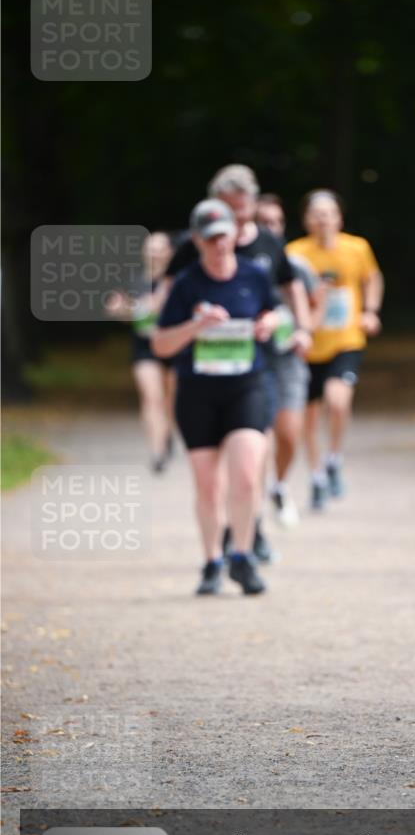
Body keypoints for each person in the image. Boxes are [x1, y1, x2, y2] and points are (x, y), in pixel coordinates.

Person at [166, 166, 312, 554]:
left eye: (243, 210)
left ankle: (252, 522)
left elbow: (289, 288)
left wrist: (301, 328)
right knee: (226, 460)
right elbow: (168, 297)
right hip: (210, 367)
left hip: (266, 357)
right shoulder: (192, 247)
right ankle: (236, 531)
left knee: (259, 446)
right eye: (231, 210)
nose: (238, 220)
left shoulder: (266, 242)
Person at [152, 199, 279, 596]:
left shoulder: (254, 275)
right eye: (209, 240)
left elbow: (278, 314)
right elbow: (160, 345)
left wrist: (270, 323)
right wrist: (195, 325)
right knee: (208, 485)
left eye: (223, 236)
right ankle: (211, 559)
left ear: (233, 233)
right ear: (197, 240)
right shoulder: (187, 283)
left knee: (245, 473)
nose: (218, 245)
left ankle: (241, 556)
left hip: (246, 386)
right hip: (198, 393)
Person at [287, 190, 384, 509]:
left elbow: (373, 278)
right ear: (306, 220)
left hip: (346, 339)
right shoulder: (294, 253)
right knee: (308, 419)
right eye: (316, 213)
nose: (322, 218)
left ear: (339, 218)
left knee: (337, 400)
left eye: (328, 212)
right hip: (307, 344)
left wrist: (370, 310)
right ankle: (316, 477)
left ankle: (334, 459)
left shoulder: (357, 248)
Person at [256, 192, 324, 525]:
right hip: (255, 358)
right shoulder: (248, 264)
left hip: (289, 360)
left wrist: (306, 330)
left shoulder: (297, 265)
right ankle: (251, 515)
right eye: (262, 222)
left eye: (275, 222)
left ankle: (279, 485)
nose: (270, 228)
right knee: (258, 439)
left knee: (289, 434)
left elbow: (318, 300)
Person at [105, 231, 177, 473]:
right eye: (150, 247)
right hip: (144, 347)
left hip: (172, 345)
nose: (154, 252)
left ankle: (167, 435)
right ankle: (157, 452)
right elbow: (120, 309)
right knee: (151, 397)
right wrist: (120, 310)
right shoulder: (133, 281)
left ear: (170, 252)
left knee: (170, 401)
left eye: (159, 248)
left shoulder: (179, 281)